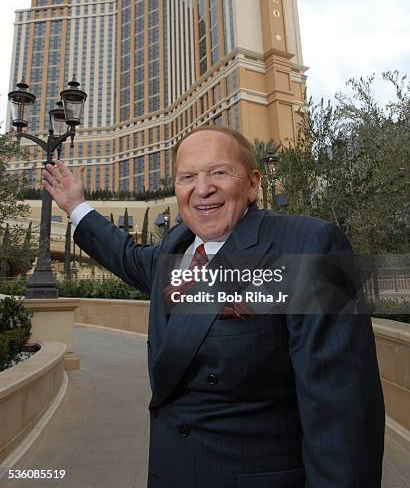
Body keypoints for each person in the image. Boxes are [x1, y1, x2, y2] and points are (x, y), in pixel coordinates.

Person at [42, 126, 385, 488]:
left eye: (219, 172)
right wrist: (76, 206)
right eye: (188, 176)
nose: (202, 188)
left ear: (253, 184)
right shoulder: (174, 250)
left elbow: (343, 418)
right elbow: (126, 255)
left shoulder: (308, 244)